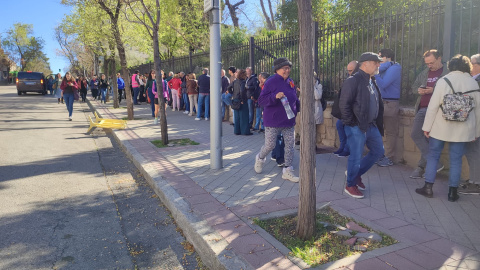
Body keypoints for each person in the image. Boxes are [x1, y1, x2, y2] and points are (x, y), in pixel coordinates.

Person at [416, 55, 480, 202]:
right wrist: (476, 132)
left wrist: (427, 127)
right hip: (463, 129)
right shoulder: (473, 83)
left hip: (440, 127)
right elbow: (478, 111)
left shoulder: (443, 81)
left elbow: (432, 107)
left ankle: (428, 188)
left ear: (451, 66)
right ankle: (452, 193)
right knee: (456, 159)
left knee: (433, 155)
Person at [339, 52, 385, 199]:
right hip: (356, 125)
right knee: (356, 156)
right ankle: (350, 184)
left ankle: (356, 173)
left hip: (370, 125)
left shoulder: (372, 80)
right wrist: (351, 123)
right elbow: (343, 104)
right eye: (375, 62)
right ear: (364, 64)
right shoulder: (353, 80)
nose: (378, 65)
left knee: (378, 151)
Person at [254, 57, 300, 183]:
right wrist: (275, 96)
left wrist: (299, 107)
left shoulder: (290, 82)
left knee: (290, 145)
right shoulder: (270, 82)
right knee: (270, 145)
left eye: (289, 68)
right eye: (285, 68)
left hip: (288, 120)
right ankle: (260, 157)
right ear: (277, 70)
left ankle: (287, 170)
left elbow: (294, 98)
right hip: (273, 121)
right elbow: (262, 100)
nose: (287, 70)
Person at [410, 50, 449, 178]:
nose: (429, 65)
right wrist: (419, 90)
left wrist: (435, 89)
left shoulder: (447, 73)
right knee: (416, 134)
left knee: (429, 138)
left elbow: (452, 91)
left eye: (431, 62)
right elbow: (413, 87)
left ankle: (422, 167)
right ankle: (435, 163)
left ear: (439, 58)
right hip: (423, 108)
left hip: (439, 110)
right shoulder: (424, 73)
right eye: (427, 63)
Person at [374, 49, 402, 167]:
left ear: (388, 57)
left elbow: (383, 84)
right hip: (381, 102)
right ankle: (379, 154)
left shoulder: (395, 68)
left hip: (391, 103)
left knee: (390, 132)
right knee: (377, 130)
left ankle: (389, 157)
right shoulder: (386, 67)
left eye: (381, 58)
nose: (379, 61)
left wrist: (375, 73)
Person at [461, 54, 480, 194]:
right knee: (471, 151)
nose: (470, 65)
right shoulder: (473, 79)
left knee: (474, 151)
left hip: (476, 121)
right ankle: (474, 180)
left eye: (472, 63)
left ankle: (475, 183)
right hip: (472, 120)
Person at [332, 61, 358, 157]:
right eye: (348, 71)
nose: (349, 73)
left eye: (350, 70)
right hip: (346, 108)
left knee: (348, 128)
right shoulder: (351, 77)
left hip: (352, 109)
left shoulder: (357, 78)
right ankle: (342, 147)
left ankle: (346, 149)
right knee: (340, 124)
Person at [232, 69, 252, 136]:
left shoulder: (235, 81)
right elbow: (242, 91)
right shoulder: (243, 82)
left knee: (237, 117)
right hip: (241, 101)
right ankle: (245, 131)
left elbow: (229, 88)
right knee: (244, 116)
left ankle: (237, 131)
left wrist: (233, 94)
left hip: (235, 100)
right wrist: (243, 100)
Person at [314, 72, 324, 149]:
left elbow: (317, 96)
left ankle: (313, 145)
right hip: (308, 111)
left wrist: (313, 87)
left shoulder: (319, 86)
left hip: (315, 109)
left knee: (314, 128)